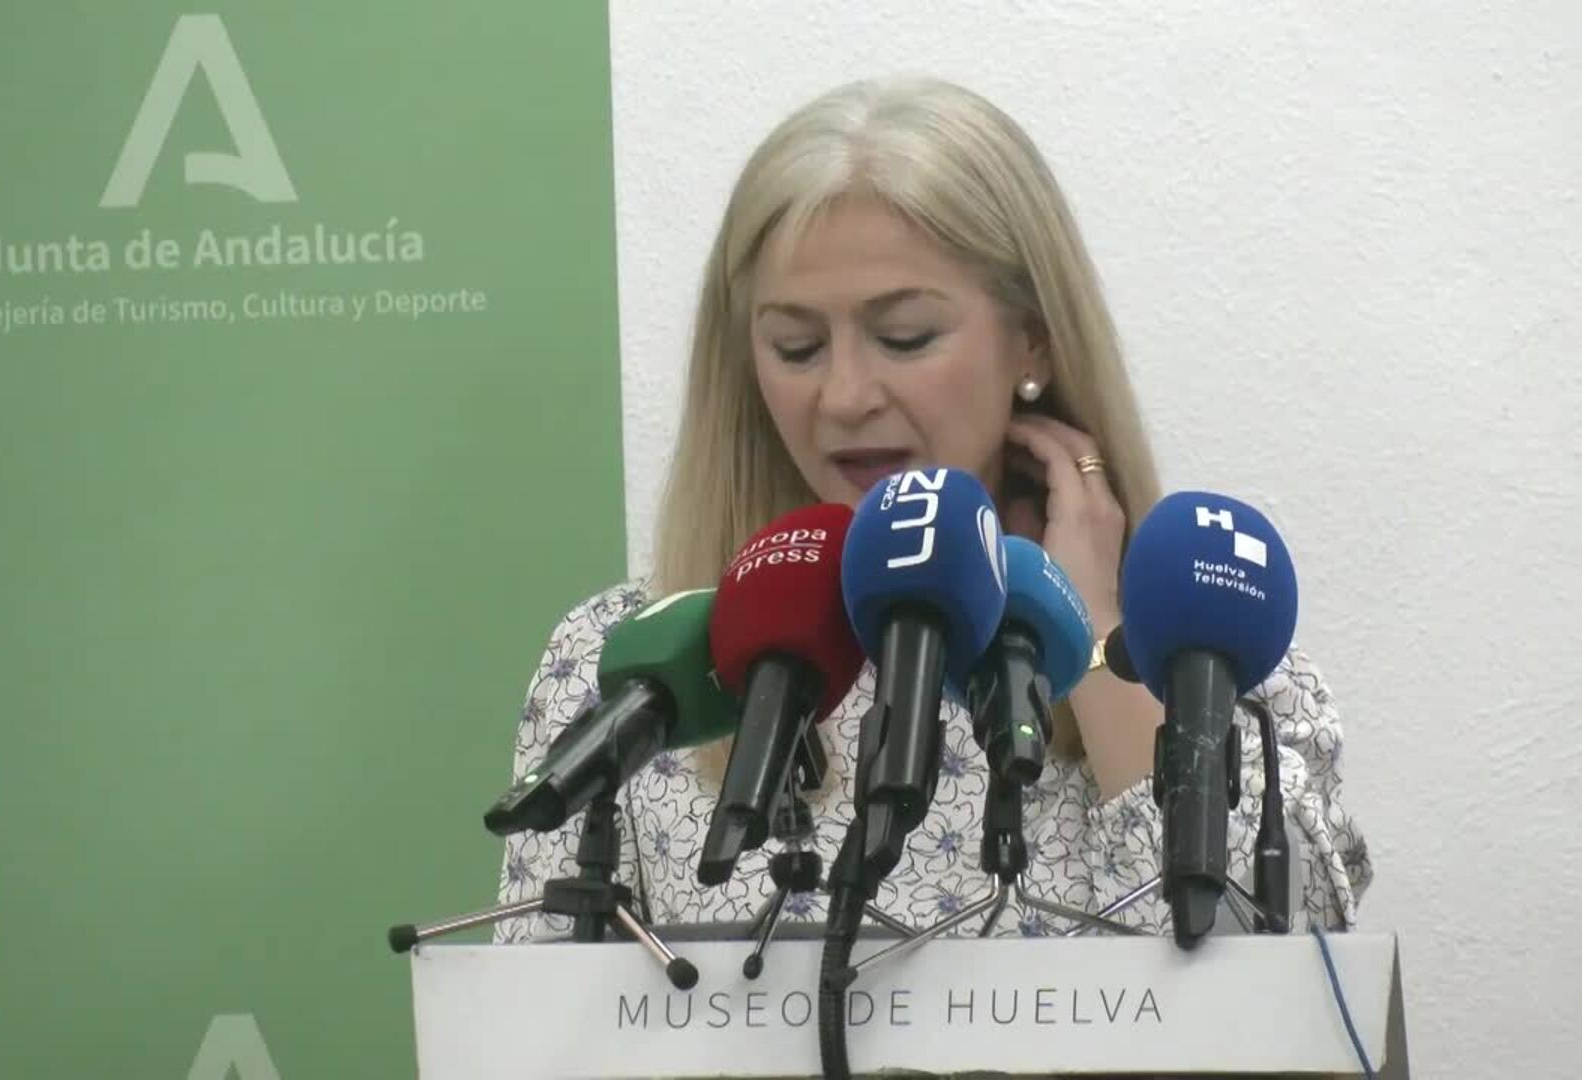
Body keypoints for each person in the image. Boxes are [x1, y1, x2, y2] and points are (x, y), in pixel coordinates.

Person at [492, 76, 1371, 947]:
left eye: (904, 337)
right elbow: (536, 1007)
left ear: (1033, 340)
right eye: (796, 347)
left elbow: (1285, 969)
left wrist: (1103, 633)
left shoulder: (1212, 643)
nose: (845, 396)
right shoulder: (627, 666)